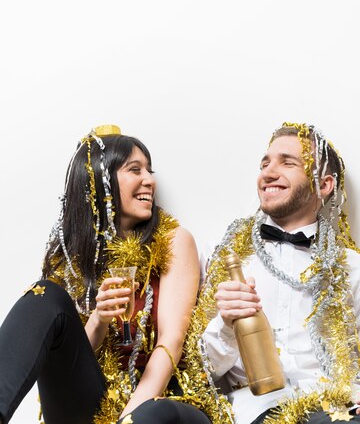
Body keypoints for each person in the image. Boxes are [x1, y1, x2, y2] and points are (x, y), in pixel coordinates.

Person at [191, 122, 360, 424]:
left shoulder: (352, 267)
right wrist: (226, 324)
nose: (268, 172)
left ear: (324, 185)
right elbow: (199, 369)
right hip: (258, 410)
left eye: (288, 162)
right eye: (265, 163)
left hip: (342, 406)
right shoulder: (226, 258)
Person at [0, 124, 211, 424]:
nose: (149, 181)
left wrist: (127, 419)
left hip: (164, 398)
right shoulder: (69, 260)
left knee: (154, 412)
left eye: (149, 171)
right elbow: (68, 360)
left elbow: (171, 342)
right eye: (135, 170)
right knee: (43, 295)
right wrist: (98, 319)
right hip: (96, 401)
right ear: (101, 180)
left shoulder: (174, 241)